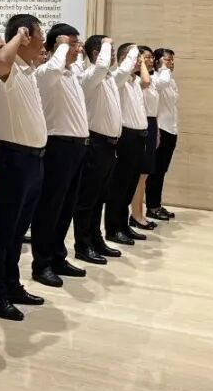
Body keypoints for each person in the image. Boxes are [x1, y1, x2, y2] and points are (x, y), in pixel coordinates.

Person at [0, 14, 48, 322]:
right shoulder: (5, 69)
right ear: (24, 37)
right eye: (39, 35)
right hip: (14, 158)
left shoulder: (28, 71)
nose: (43, 42)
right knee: (4, 229)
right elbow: (0, 60)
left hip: (33, 159)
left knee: (18, 230)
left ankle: (11, 284)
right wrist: (18, 35)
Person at [30, 23, 89, 288]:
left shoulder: (71, 74)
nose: (78, 49)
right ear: (58, 45)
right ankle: (41, 263)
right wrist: (63, 45)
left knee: (66, 206)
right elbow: (53, 67)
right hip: (58, 145)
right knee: (50, 207)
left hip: (77, 146)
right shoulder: (46, 72)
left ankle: (57, 256)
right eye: (73, 44)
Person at [73, 35, 127, 264]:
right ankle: (83, 245)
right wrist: (106, 43)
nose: (112, 55)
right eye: (109, 51)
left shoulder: (109, 78)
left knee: (100, 198)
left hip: (109, 145)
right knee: (87, 199)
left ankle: (96, 239)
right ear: (96, 54)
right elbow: (102, 65)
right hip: (95, 143)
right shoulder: (89, 77)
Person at [105, 43, 149, 246]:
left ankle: (123, 225)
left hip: (139, 136)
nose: (139, 62)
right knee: (120, 185)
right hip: (126, 137)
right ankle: (113, 228)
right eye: (137, 59)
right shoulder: (118, 79)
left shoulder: (135, 82)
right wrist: (133, 51)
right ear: (125, 60)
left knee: (130, 184)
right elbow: (123, 70)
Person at [146, 48, 178, 221]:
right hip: (160, 130)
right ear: (157, 61)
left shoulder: (169, 80)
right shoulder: (155, 79)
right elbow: (161, 84)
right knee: (155, 171)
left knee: (162, 171)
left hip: (171, 129)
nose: (171, 63)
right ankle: (152, 206)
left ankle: (157, 204)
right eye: (167, 60)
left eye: (172, 60)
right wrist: (163, 68)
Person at [131, 46, 160, 230]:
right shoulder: (138, 81)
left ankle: (139, 214)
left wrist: (157, 131)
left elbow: (155, 108)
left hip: (151, 123)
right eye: (146, 58)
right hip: (142, 124)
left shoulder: (152, 80)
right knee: (141, 174)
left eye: (151, 58)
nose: (151, 61)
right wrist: (140, 62)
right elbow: (145, 81)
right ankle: (136, 215)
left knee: (145, 173)